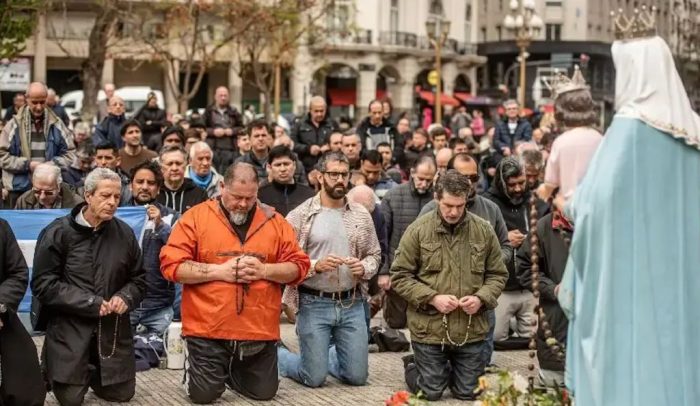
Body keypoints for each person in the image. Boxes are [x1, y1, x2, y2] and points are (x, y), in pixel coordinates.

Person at [558, 29, 700, 405]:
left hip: (629, 286)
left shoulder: (629, 130)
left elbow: (592, 207)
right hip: (686, 284)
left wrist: (568, 202)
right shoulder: (695, 133)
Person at [159, 162, 310, 403]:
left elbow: (299, 267)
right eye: (236, 197)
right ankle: (203, 370)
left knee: (264, 394)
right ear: (221, 187)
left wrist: (265, 269)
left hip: (258, 330)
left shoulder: (275, 221)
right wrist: (220, 271)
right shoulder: (196, 217)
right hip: (207, 328)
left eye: (249, 198)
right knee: (204, 396)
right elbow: (171, 266)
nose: (242, 204)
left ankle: (228, 371)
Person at [31, 168, 146, 405]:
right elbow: (43, 285)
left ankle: (96, 374)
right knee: (71, 400)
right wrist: (90, 303)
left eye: (116, 196)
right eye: (105, 196)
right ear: (88, 195)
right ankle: (56, 367)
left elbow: (140, 279)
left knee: (122, 395)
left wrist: (126, 296)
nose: (113, 202)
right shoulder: (58, 232)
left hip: (111, 332)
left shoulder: (124, 233)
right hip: (70, 330)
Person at [391, 170, 508, 401]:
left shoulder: (483, 230)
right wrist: (432, 297)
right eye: (448, 205)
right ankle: (415, 365)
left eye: (460, 205)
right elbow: (399, 276)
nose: (453, 212)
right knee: (431, 392)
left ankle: (449, 371)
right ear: (436, 198)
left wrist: (481, 298)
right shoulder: (418, 230)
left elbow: (498, 274)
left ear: (467, 199)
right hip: (429, 328)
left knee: (468, 393)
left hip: (470, 329)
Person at [279, 151, 381, 388]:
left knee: (357, 378)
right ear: (319, 176)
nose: (340, 180)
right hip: (314, 303)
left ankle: (330, 357)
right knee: (313, 378)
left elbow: (375, 254)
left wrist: (364, 266)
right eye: (333, 174)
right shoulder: (300, 216)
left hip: (352, 303)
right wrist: (315, 265)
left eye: (344, 174)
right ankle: (278, 356)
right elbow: (286, 261)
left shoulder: (361, 214)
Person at [419, 153, 513, 366]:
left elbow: (505, 247)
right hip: (441, 306)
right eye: (463, 177)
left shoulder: (490, 209)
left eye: (473, 178)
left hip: (479, 302)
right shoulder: (429, 211)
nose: (468, 184)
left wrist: (491, 261)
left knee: (478, 370)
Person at [482, 157, 537, 349]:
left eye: (522, 183)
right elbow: (477, 241)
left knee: (534, 340)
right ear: (501, 183)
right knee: (496, 338)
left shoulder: (533, 199)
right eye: (512, 185)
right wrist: (504, 239)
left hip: (529, 284)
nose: (518, 189)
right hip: (501, 288)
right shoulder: (487, 203)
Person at [379, 155, 437, 329]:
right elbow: (382, 237)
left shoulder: (438, 199)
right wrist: (384, 271)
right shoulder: (393, 196)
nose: (424, 184)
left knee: (424, 324)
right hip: (399, 269)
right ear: (412, 172)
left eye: (429, 180)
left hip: (427, 272)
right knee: (397, 323)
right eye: (421, 179)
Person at [0, 82, 75, 208]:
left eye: (42, 102)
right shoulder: (13, 125)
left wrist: (52, 165)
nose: (39, 107)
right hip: (19, 189)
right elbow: (2, 157)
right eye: (34, 102)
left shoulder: (57, 124)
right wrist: (27, 165)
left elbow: (71, 154)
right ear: (26, 99)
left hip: (49, 192)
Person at [516, 210, 570, 386]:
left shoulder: (607, 223)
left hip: (601, 339)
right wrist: (553, 290)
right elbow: (525, 268)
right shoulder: (544, 226)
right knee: (555, 386)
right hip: (557, 329)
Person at [128, 161, 179, 337]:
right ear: (130, 185)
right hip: (126, 306)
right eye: (139, 182)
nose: (144, 187)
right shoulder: (117, 215)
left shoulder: (172, 217)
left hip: (160, 308)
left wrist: (160, 226)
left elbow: (180, 249)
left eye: (150, 183)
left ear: (158, 189)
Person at [537, 66, 603, 203]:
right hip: (597, 206)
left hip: (569, 208)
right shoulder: (600, 139)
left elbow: (550, 183)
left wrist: (542, 191)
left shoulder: (561, 142)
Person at [0, 218, 47, 405]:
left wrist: (1, 306)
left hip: (1, 312)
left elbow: (18, 273)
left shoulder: (2, 227)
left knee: (26, 393)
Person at [257, 145, 315, 216]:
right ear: (269, 167)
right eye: (278, 165)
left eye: (286, 164)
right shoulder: (261, 195)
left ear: (294, 165)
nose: (283, 169)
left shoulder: (309, 194)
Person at [156, 145, 208, 214]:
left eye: (178, 163)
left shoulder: (199, 194)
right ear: (161, 167)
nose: (174, 168)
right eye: (170, 164)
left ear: (186, 165)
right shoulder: (154, 193)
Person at [290, 96, 336, 173]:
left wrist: (330, 147)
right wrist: (308, 149)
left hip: (328, 168)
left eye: (322, 111)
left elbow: (340, 142)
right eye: (316, 111)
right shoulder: (299, 124)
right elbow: (292, 144)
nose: (319, 114)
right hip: (305, 169)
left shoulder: (332, 124)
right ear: (310, 110)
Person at [204, 86, 244, 173]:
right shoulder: (208, 111)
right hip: (213, 149)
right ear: (215, 96)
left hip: (232, 149)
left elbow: (242, 128)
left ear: (228, 97)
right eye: (220, 95)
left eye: (225, 95)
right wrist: (213, 132)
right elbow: (201, 129)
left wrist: (232, 131)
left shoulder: (234, 111)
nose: (223, 98)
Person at [15, 163, 82, 209]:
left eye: (48, 192)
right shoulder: (23, 201)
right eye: (37, 191)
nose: (42, 197)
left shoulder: (77, 204)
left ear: (58, 187)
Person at [93, 142, 132, 206]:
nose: (103, 162)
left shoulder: (128, 186)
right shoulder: (83, 186)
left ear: (118, 161)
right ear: (95, 160)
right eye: (99, 158)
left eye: (108, 158)